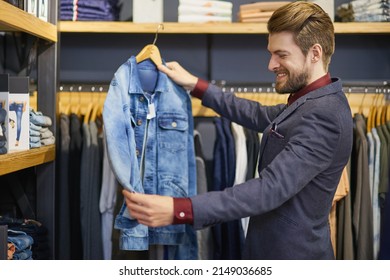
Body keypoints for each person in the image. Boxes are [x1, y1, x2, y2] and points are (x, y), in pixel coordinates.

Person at [122, 1, 353, 259]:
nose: (271, 65)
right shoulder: (311, 100)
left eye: (282, 55)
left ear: (315, 53)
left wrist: (180, 209)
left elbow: (270, 188)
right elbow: (256, 114)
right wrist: (195, 85)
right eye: (271, 53)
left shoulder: (326, 114)